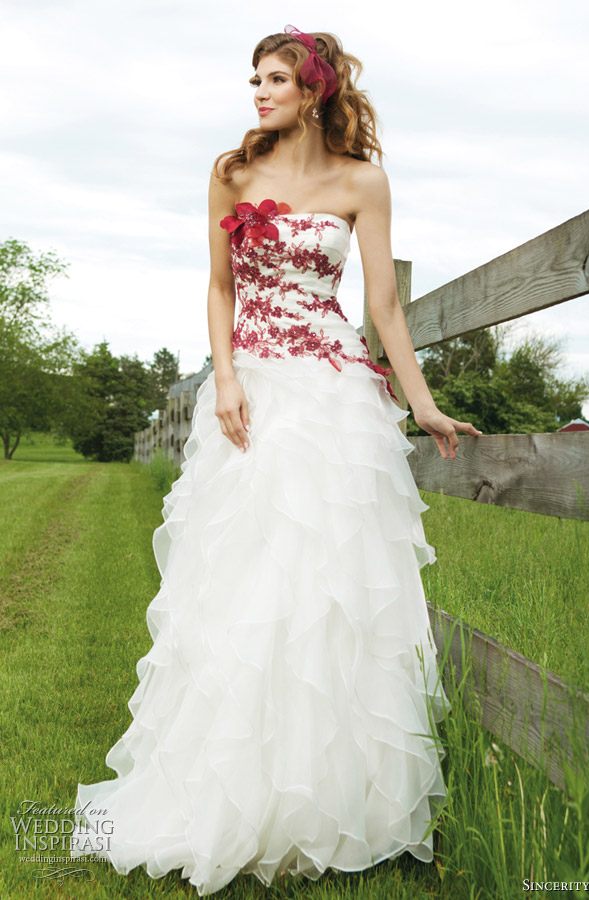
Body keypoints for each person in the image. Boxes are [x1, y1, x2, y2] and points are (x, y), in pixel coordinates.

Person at [70, 24, 483, 896]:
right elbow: (219, 287)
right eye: (253, 78)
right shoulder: (231, 172)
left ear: (316, 90)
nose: (258, 92)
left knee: (328, 589)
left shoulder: (363, 181)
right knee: (238, 586)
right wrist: (223, 381)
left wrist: (423, 403)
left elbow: (384, 310)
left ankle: (330, 801)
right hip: (252, 395)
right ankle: (222, 794)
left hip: (333, 401)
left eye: (275, 79)